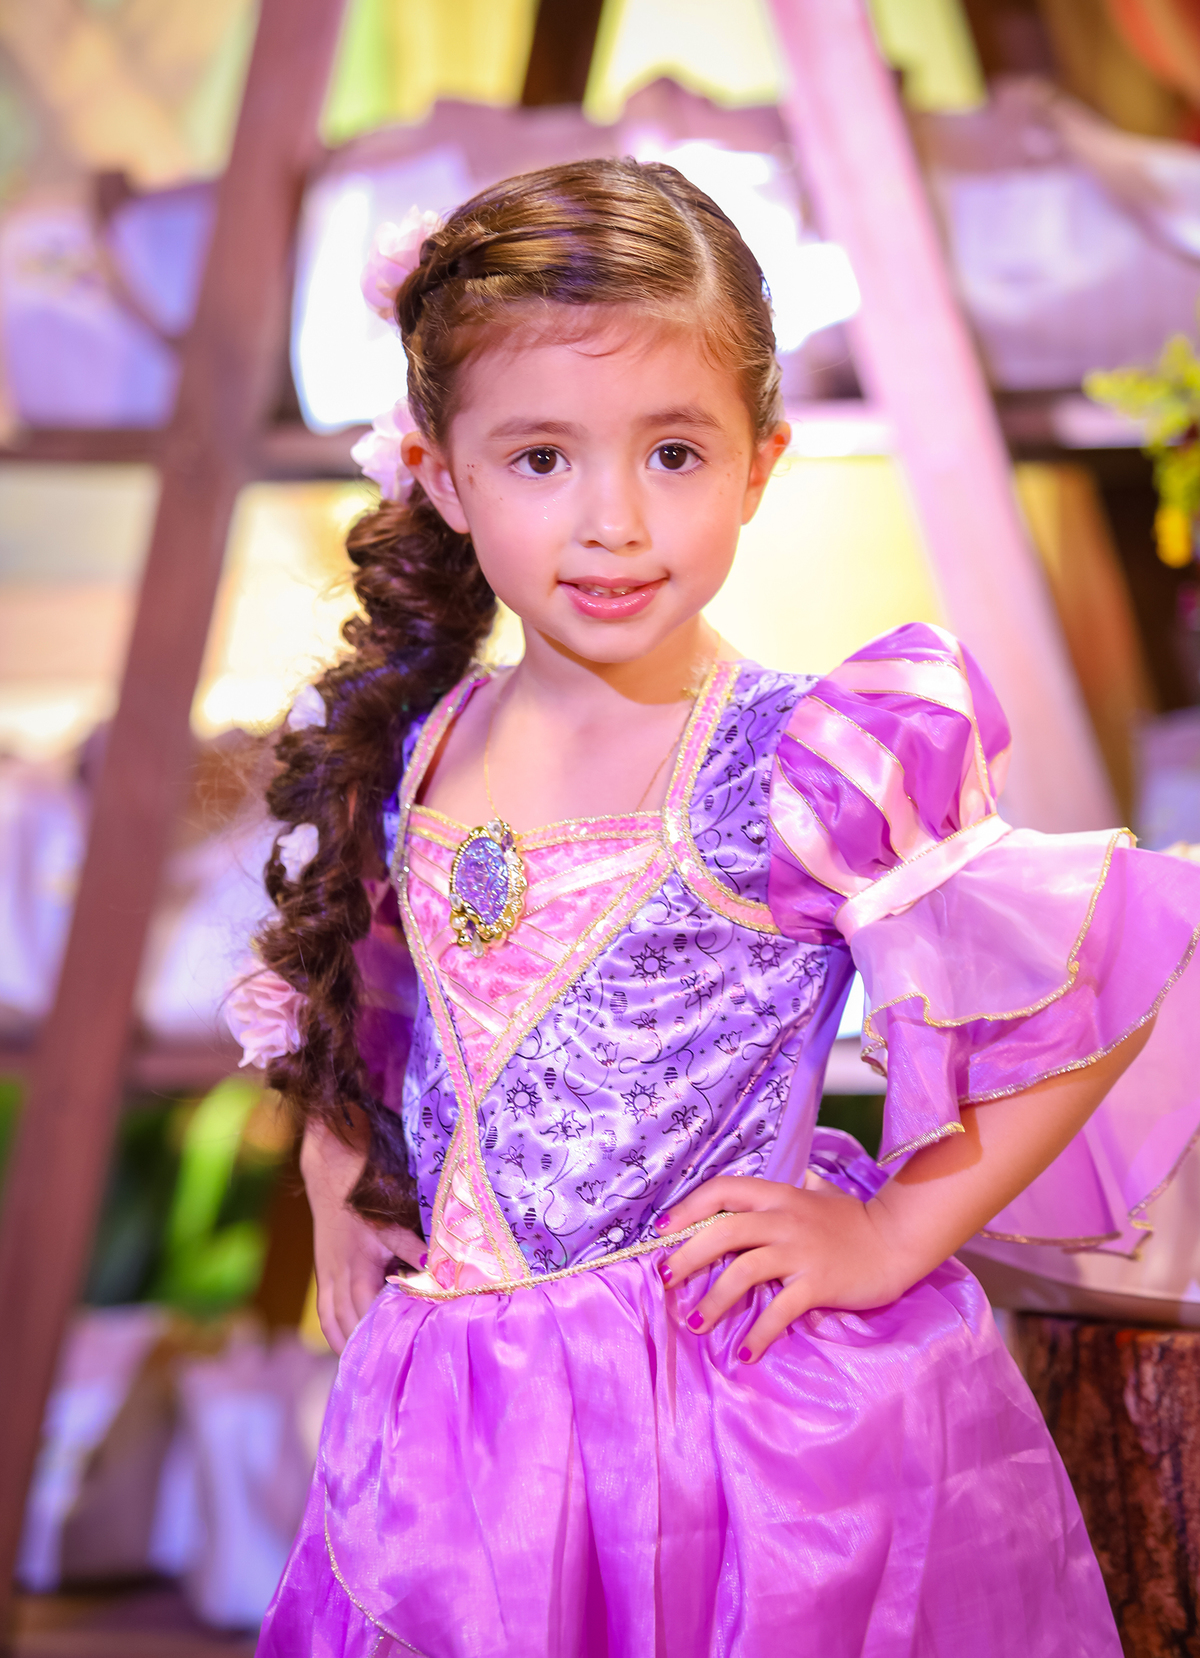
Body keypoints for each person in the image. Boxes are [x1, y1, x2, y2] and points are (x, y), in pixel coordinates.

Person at [229, 159, 1200, 1656]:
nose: (614, 522)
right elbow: (376, 986)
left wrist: (891, 1236)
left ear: (760, 462)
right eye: (541, 458)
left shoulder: (810, 758)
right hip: (463, 1432)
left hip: (724, 1435)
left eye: (673, 453)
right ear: (441, 472)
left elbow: (1096, 969)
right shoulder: (418, 741)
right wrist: (334, 1160)